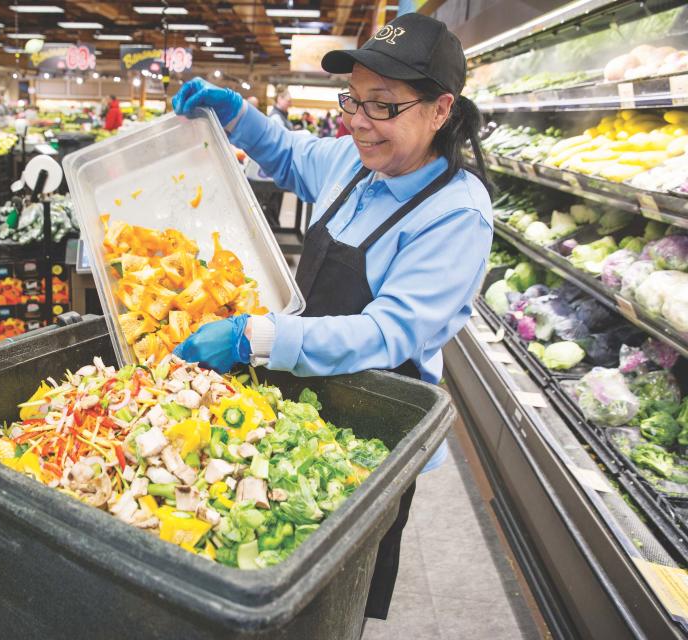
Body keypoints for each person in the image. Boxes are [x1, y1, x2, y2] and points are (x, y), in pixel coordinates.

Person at [171, 13, 492, 625]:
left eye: (383, 106)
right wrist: (235, 112)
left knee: (329, 596)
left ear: (440, 109)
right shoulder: (355, 161)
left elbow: (384, 334)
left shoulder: (455, 214)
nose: (359, 123)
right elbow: (292, 156)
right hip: (297, 392)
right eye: (353, 101)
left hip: (371, 425)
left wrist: (253, 335)